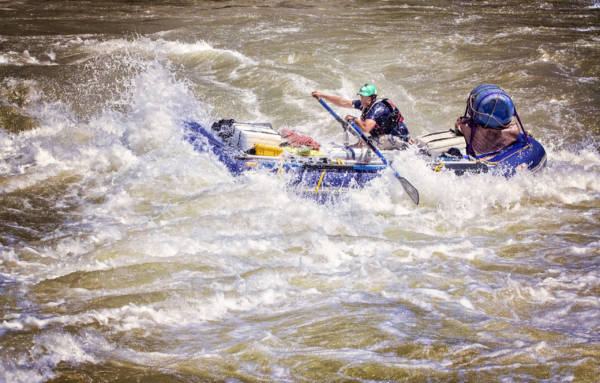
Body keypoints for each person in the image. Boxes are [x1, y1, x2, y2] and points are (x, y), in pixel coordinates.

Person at [311, 83, 409, 150]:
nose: (361, 99)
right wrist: (322, 96)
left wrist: (354, 119)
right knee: (360, 144)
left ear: (372, 98)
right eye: (361, 96)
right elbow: (344, 102)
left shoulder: (379, 109)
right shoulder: (366, 104)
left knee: (363, 144)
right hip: (386, 138)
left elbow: (365, 128)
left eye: (364, 97)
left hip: (398, 140)